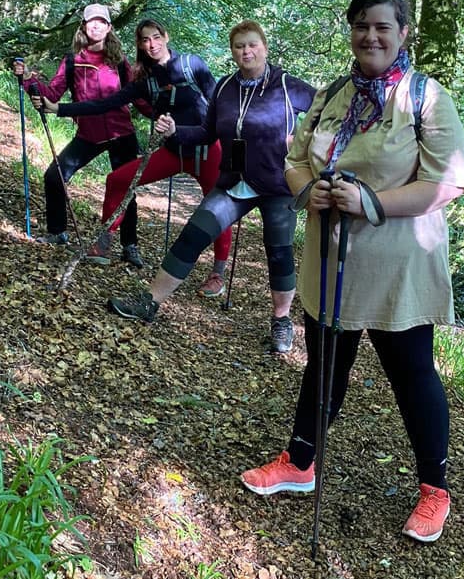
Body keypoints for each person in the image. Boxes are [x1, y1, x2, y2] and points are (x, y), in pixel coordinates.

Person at [240, 0, 464, 543]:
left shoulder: (425, 97)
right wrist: (307, 192)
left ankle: (434, 490)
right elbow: (296, 160)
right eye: (361, 25)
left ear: (403, 33)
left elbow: (448, 182)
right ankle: (300, 463)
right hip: (330, 256)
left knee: (412, 374)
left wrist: (371, 202)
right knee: (323, 364)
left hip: (399, 264)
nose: (370, 36)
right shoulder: (332, 96)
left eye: (382, 27)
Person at [106, 20, 316, 353]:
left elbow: (326, 113)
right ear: (232, 51)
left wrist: (306, 143)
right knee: (193, 233)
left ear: (264, 46)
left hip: (277, 184)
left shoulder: (289, 85)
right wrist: (175, 130)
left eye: (252, 44)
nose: (246, 51)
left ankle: (281, 320)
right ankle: (150, 302)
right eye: (239, 46)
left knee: (278, 252)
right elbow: (206, 133)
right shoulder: (225, 88)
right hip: (234, 181)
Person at [34, 18, 231, 293]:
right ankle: (104, 242)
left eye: (156, 37)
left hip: (207, 151)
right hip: (174, 151)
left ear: (166, 36)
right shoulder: (145, 80)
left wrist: (235, 141)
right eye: (145, 40)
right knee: (118, 179)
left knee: (219, 206)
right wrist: (59, 109)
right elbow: (107, 103)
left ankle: (217, 273)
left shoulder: (191, 64)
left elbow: (218, 104)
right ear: (139, 44)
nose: (152, 44)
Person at [13, 3, 145, 267]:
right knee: (55, 175)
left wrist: (161, 107)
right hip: (89, 134)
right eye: (90, 21)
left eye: (101, 22)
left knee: (126, 188)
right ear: (83, 27)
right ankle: (58, 232)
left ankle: (129, 245)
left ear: (109, 28)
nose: (95, 26)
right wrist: (28, 79)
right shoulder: (73, 61)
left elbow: (138, 96)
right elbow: (51, 95)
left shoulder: (120, 63)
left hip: (122, 133)